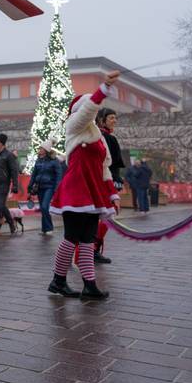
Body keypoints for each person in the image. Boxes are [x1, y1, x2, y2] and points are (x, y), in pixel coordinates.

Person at [48, 72, 121, 299]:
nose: (95, 111)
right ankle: (58, 281)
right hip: (75, 190)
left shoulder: (97, 135)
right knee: (72, 236)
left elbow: (104, 167)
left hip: (93, 192)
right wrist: (104, 88)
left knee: (88, 239)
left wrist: (112, 195)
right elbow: (89, 108)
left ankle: (88, 285)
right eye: (92, 108)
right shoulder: (75, 125)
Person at [92, 107, 125, 263]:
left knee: (103, 217)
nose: (114, 121)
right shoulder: (105, 138)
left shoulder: (104, 136)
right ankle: (92, 249)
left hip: (105, 181)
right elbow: (109, 165)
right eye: (111, 118)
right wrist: (115, 182)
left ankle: (94, 249)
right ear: (102, 120)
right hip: (105, 182)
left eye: (115, 118)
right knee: (106, 217)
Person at [27, 141, 62, 235]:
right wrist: (29, 187)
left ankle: (49, 228)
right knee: (43, 208)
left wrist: (56, 188)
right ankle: (45, 229)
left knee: (44, 207)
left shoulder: (54, 161)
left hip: (49, 187)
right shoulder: (38, 160)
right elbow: (34, 175)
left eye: (41, 148)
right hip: (40, 187)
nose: (39, 150)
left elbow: (59, 175)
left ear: (46, 150)